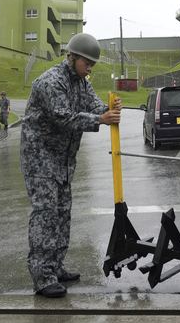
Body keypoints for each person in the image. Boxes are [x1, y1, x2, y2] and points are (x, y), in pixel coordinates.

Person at [20, 33, 122, 298]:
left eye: (93, 64)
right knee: (46, 215)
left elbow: (96, 105)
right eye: (87, 62)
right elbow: (62, 118)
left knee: (63, 214)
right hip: (40, 159)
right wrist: (101, 119)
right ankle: (42, 278)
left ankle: (55, 267)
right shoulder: (50, 82)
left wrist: (111, 108)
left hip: (63, 161)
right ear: (72, 57)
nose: (90, 68)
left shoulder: (81, 83)